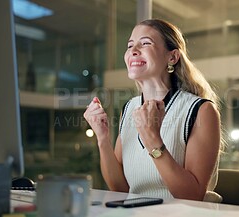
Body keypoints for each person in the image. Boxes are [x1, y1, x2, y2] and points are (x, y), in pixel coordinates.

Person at [84, 19, 222, 202]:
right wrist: (102, 139)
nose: (133, 51)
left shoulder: (201, 110)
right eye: (130, 45)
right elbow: (121, 189)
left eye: (145, 43)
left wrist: (153, 140)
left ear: (172, 57)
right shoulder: (130, 108)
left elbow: (192, 195)